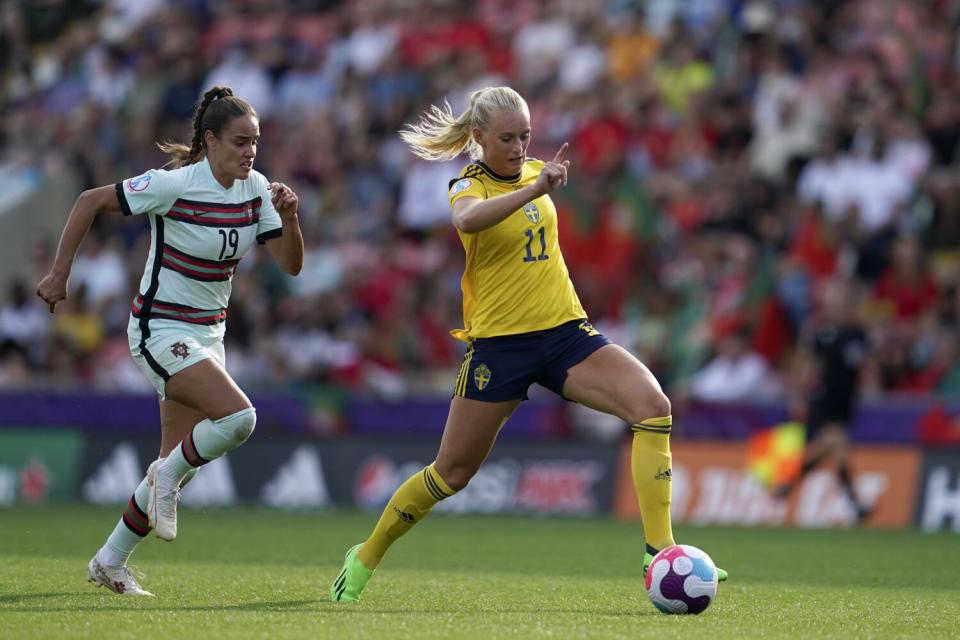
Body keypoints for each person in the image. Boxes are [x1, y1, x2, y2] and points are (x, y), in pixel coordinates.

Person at [330, 86, 727, 603]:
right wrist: (535, 189)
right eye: (508, 138)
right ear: (478, 138)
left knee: (654, 407)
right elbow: (466, 221)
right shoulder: (466, 185)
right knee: (451, 473)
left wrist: (542, 183)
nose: (519, 147)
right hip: (500, 348)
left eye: (526, 136)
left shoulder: (537, 170)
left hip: (565, 333)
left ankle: (661, 554)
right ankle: (365, 555)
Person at [36, 86, 304, 596]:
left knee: (178, 463)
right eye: (240, 141)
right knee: (239, 418)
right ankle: (163, 476)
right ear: (210, 140)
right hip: (159, 329)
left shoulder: (256, 191)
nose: (251, 151)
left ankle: (110, 561)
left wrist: (290, 218)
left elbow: (291, 266)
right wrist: (58, 274)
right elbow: (89, 200)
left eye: (256, 142)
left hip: (209, 333)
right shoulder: (173, 184)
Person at [774, 279, 873, 523]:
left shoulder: (858, 335)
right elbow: (808, 366)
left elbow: (865, 366)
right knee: (838, 446)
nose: (836, 308)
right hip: (825, 400)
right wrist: (800, 393)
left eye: (841, 303)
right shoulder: (823, 335)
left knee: (829, 449)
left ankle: (789, 481)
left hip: (846, 402)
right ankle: (856, 505)